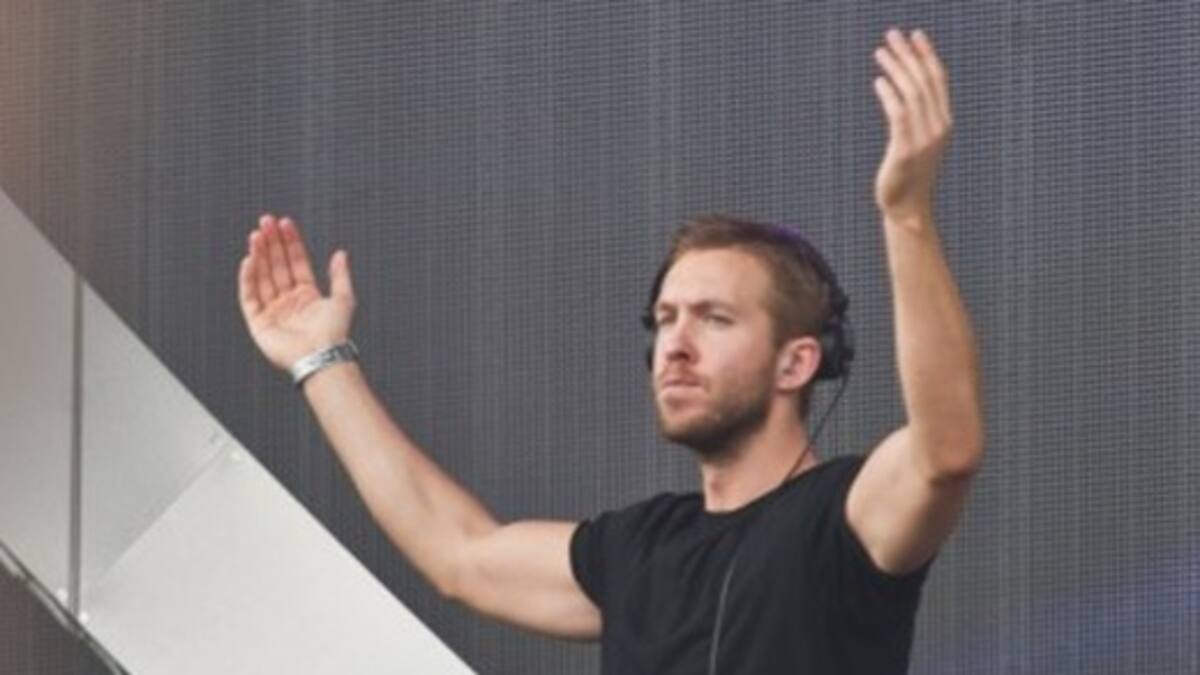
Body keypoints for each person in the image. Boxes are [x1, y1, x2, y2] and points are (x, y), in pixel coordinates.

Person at [237, 28, 981, 675]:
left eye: (715, 319)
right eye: (665, 320)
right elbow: (460, 554)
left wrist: (906, 214)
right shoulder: (638, 549)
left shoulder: (845, 516)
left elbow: (945, 451)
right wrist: (322, 361)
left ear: (798, 362)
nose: (675, 345)